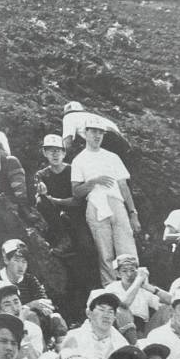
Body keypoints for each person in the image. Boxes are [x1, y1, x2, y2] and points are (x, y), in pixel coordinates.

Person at [70, 114, 140, 284]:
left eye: (100, 132)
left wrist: (133, 213)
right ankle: (110, 290)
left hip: (117, 204)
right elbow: (76, 191)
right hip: (95, 206)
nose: (97, 136)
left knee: (127, 250)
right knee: (105, 253)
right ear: (85, 133)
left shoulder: (112, 157)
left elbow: (124, 187)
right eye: (93, 131)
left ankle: (135, 288)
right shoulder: (79, 160)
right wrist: (93, 182)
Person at [0, 238, 67, 343]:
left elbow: (45, 304)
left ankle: (62, 353)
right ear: (6, 260)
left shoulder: (31, 279)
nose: (21, 266)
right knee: (30, 315)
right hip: (8, 326)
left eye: (24, 261)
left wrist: (40, 307)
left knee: (56, 318)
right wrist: (31, 305)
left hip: (35, 323)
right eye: (16, 260)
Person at [104, 253, 171, 341]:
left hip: (143, 328)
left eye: (132, 270)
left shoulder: (143, 289)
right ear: (118, 274)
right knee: (121, 310)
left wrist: (148, 287)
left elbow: (172, 301)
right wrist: (138, 280)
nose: (129, 274)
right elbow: (124, 304)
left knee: (167, 308)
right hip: (121, 330)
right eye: (124, 271)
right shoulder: (112, 287)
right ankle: (135, 346)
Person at [0, 281, 45, 359]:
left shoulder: (33, 328)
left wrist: (21, 327)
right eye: (7, 304)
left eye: (16, 302)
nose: (15, 308)